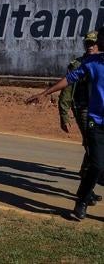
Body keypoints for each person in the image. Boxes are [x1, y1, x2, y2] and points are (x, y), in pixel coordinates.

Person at [26, 26, 104, 220]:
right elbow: (69, 79)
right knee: (97, 165)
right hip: (97, 123)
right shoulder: (91, 63)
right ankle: (82, 200)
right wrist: (44, 93)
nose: (93, 45)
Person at [58, 31, 102, 204]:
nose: (90, 46)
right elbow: (66, 90)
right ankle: (86, 191)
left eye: (93, 43)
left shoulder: (100, 62)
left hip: (98, 111)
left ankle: (85, 184)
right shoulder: (78, 63)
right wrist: (64, 115)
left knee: (93, 148)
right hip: (83, 109)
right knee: (92, 147)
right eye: (87, 44)